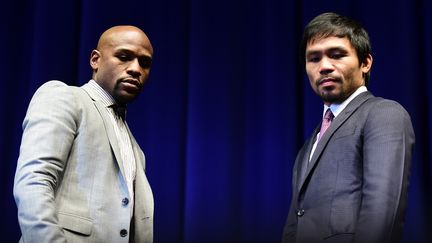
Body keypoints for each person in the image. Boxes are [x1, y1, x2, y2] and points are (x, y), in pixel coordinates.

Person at [282, 12, 415, 243]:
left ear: (365, 63)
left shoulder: (383, 114)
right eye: (313, 59)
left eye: (336, 55)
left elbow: (382, 213)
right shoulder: (308, 146)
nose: (324, 66)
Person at [14, 25, 154, 243]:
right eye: (124, 56)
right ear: (95, 60)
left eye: (144, 63)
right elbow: (34, 182)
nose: (136, 69)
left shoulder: (135, 147)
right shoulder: (65, 97)